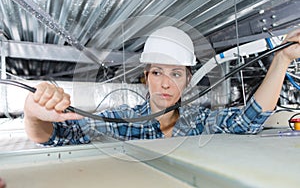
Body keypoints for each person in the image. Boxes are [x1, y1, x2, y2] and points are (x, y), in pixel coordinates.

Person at [23, 26, 300, 146]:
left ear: (188, 79)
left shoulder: (201, 122)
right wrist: (33, 111)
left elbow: (247, 120)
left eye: (176, 74)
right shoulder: (122, 120)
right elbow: (55, 136)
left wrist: (282, 59)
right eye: (157, 72)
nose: (165, 83)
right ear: (146, 76)